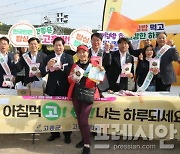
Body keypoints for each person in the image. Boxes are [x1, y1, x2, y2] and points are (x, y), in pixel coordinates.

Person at [67, 45, 103, 154]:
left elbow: (100, 80)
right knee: (79, 118)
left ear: (88, 53)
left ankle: (87, 145)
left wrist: (101, 72)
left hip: (88, 94)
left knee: (83, 119)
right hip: (76, 94)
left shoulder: (94, 65)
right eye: (80, 52)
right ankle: (84, 139)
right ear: (77, 54)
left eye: (84, 52)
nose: (82, 54)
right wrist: (71, 77)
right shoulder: (75, 65)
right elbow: (69, 80)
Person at [41, 37, 73, 143]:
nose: (58, 47)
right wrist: (47, 66)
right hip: (52, 88)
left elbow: (72, 72)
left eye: (60, 45)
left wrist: (62, 68)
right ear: (53, 46)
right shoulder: (48, 57)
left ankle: (67, 134)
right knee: (52, 112)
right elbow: (42, 72)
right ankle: (54, 134)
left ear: (63, 46)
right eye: (56, 45)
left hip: (64, 89)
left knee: (66, 112)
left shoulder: (69, 57)